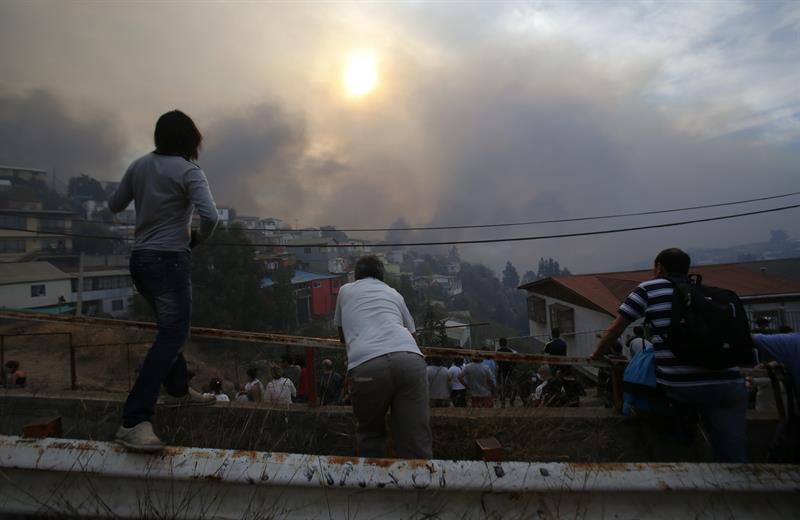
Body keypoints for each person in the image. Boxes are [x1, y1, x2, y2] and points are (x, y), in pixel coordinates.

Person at [109, 110, 219, 452]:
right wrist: (197, 238)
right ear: (190, 140)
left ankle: (178, 391)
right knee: (173, 334)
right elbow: (211, 216)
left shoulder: (138, 166)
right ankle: (134, 420)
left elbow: (114, 205)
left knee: (170, 329)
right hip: (170, 260)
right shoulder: (188, 171)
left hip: (140, 261)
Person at [591, 248, 747, 462]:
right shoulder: (703, 292)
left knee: (676, 444)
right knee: (732, 453)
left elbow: (615, 329)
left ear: (659, 268)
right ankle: (740, 485)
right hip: (730, 382)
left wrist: (597, 355)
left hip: (681, 387)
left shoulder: (648, 289)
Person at [334, 255, 432, 459]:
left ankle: (374, 486)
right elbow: (412, 333)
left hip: (367, 365)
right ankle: (419, 486)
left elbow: (342, 335)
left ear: (356, 276)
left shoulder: (345, 291)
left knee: (370, 434)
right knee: (416, 437)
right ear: (382, 276)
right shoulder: (394, 293)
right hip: (410, 359)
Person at [496, 338, 516, 407]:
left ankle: (503, 402)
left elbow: (497, 361)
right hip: (509, 370)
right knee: (511, 386)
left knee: (502, 386)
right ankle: (511, 400)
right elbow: (514, 362)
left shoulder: (498, 351)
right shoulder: (510, 351)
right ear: (506, 343)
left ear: (500, 343)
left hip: (501, 371)